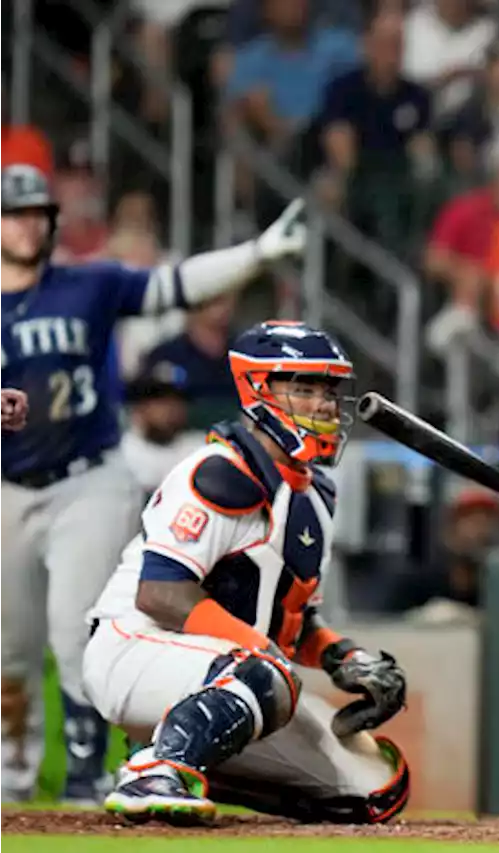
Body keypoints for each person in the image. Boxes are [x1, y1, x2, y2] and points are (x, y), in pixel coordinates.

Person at [0, 162, 308, 805]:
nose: (28, 226)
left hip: (83, 477)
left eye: (37, 214)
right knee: (9, 651)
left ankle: (87, 779)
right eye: (15, 215)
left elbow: (175, 285)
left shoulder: (88, 283)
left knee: (73, 629)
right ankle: (13, 780)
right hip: (5, 486)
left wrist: (255, 255)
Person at [83, 321, 409, 825]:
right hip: (134, 647)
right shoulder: (219, 471)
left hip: (228, 670)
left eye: (328, 390)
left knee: (373, 792)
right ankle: (157, 769)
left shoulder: (315, 496)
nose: (323, 404)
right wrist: (263, 655)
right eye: (303, 388)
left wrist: (349, 659)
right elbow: (161, 593)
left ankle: (186, 749)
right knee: (268, 674)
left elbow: (292, 625)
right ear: (257, 390)